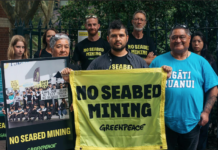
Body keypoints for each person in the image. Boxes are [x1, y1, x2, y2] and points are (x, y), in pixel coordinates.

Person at [150, 24, 218, 150]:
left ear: (189, 38)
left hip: (193, 121)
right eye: (174, 37)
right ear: (170, 40)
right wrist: (160, 78)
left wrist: (206, 111)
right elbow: (148, 89)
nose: (178, 40)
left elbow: (213, 87)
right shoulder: (158, 62)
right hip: (164, 122)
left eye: (182, 37)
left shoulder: (201, 62)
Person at [189, 31, 218, 150]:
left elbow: (214, 83)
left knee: (203, 130)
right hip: (191, 98)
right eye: (194, 41)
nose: (196, 44)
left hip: (205, 98)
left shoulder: (210, 60)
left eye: (199, 41)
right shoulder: (186, 58)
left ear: (203, 44)